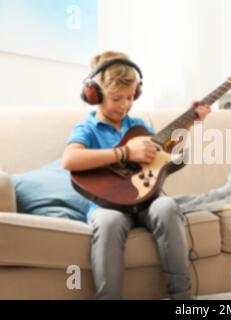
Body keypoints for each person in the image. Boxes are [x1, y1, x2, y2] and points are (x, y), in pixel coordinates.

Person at [62, 51, 211, 300]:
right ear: (94, 95)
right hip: (107, 204)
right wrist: (124, 152)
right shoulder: (87, 128)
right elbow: (70, 159)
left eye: (131, 97)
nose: (125, 105)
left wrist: (190, 121)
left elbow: (167, 152)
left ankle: (182, 298)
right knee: (108, 222)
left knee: (166, 205)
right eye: (116, 98)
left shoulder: (139, 127)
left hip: (146, 200)